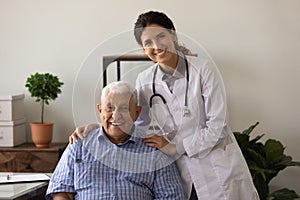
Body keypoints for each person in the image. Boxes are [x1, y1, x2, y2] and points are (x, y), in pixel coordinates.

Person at [70, 11, 259, 200]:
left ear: (173, 35)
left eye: (161, 36)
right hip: (184, 173)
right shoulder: (144, 80)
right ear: (143, 49)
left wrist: (176, 147)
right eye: (148, 43)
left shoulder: (203, 69)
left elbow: (217, 127)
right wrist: (100, 127)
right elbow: (136, 123)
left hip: (218, 168)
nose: (156, 46)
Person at [47, 81, 186, 200]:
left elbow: (172, 196)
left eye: (124, 108)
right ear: (100, 110)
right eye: (109, 108)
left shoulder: (154, 149)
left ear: (137, 113)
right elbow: (61, 190)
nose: (116, 116)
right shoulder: (79, 144)